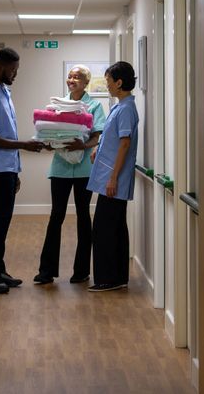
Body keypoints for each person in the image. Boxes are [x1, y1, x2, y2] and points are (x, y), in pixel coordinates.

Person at [0, 47, 44, 294]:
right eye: (13, 70)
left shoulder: (3, 91)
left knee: (3, 222)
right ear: (1, 67)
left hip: (7, 167)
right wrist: (24, 145)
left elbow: (7, 131)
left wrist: (17, 170)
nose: (15, 75)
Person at [33, 65, 107, 285]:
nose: (72, 80)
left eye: (77, 77)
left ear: (86, 83)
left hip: (84, 169)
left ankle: (82, 271)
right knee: (56, 216)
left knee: (84, 217)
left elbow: (98, 136)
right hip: (60, 168)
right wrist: (49, 142)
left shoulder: (94, 106)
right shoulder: (58, 105)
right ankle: (46, 271)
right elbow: (50, 130)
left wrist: (83, 145)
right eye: (70, 76)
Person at [86, 61, 139, 292]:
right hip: (111, 178)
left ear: (119, 82)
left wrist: (113, 178)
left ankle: (108, 278)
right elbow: (115, 138)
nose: (107, 86)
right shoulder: (121, 106)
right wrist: (98, 148)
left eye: (108, 82)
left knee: (104, 230)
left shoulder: (126, 108)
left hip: (114, 181)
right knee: (115, 228)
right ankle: (117, 277)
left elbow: (125, 143)